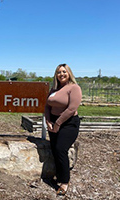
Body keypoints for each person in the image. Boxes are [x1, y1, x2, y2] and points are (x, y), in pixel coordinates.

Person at [44, 64, 82, 196]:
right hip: (53, 122)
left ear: (69, 73)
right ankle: (58, 174)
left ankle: (64, 182)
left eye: (64, 72)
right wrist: (48, 121)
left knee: (61, 149)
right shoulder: (54, 89)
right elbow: (47, 106)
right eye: (59, 72)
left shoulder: (74, 88)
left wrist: (58, 123)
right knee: (55, 149)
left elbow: (71, 109)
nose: (61, 74)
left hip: (69, 124)